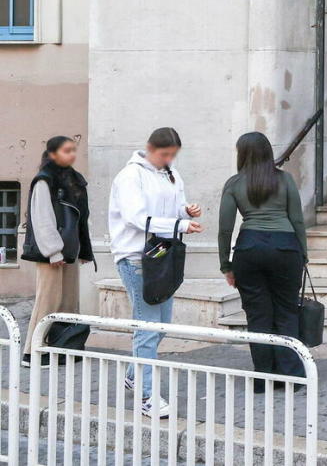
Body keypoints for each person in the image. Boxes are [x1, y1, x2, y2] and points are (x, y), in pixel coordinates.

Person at [108, 127, 202, 418]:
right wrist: (180, 225)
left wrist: (186, 212)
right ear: (150, 148)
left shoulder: (170, 173)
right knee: (148, 326)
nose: (169, 159)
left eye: (173, 155)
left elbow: (173, 208)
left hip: (161, 254)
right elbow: (136, 218)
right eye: (165, 154)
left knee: (161, 323)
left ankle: (135, 375)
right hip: (136, 256)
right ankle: (147, 395)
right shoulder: (130, 176)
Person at [218, 132, 309, 386]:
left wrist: (226, 264)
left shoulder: (234, 184)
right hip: (285, 248)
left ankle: (263, 378)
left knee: (257, 316)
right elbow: (297, 220)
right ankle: (290, 376)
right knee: (287, 312)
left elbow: (225, 228)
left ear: (242, 154)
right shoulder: (285, 179)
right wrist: (303, 254)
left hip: (249, 250)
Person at [21, 136, 93, 368]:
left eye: (73, 150)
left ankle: (63, 349)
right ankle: (33, 352)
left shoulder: (73, 181)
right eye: (66, 150)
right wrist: (54, 252)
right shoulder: (45, 180)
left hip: (70, 250)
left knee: (69, 303)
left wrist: (84, 250)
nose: (72, 154)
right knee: (48, 301)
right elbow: (42, 219)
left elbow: (80, 219)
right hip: (50, 253)